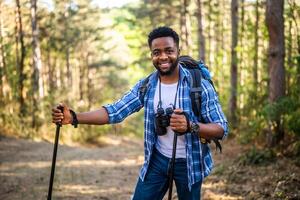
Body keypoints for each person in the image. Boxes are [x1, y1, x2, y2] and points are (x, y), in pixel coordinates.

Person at [52, 26, 228, 200]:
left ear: (178, 51)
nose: (163, 57)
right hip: (157, 161)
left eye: (169, 50)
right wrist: (74, 117)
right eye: (156, 52)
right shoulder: (146, 86)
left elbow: (221, 129)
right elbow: (115, 111)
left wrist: (190, 126)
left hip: (192, 163)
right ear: (151, 55)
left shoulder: (198, 85)